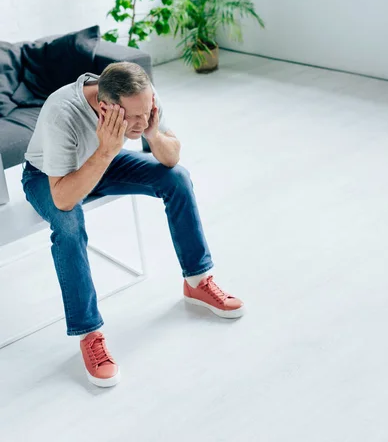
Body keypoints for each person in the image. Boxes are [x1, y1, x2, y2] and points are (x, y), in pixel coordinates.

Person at [22, 61, 244, 388]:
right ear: (105, 107)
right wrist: (105, 151)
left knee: (177, 180)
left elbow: (171, 159)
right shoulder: (62, 112)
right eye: (135, 117)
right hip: (52, 178)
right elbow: (64, 199)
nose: (142, 121)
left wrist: (152, 132)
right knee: (69, 225)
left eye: (147, 112)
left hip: (103, 160)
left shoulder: (142, 99)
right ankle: (89, 333)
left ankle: (197, 281)